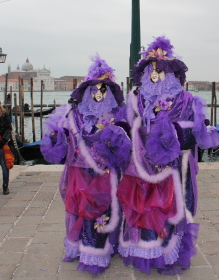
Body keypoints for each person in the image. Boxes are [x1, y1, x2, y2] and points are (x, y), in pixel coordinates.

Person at [117, 36, 219, 275]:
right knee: (144, 205)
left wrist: (175, 134)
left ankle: (166, 250)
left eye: (160, 69)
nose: (155, 74)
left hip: (172, 165)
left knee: (170, 206)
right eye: (151, 70)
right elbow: (127, 126)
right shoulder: (137, 98)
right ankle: (145, 249)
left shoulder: (186, 100)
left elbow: (192, 135)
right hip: (141, 165)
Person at [41, 55, 130, 275]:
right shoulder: (76, 114)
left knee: (105, 210)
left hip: (106, 174)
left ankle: (101, 248)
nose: (98, 94)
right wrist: (55, 136)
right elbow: (63, 145)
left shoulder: (117, 115)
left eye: (103, 90)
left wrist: (115, 137)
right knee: (82, 210)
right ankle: (85, 246)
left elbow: (125, 148)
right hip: (80, 173)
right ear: (88, 91)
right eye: (94, 90)